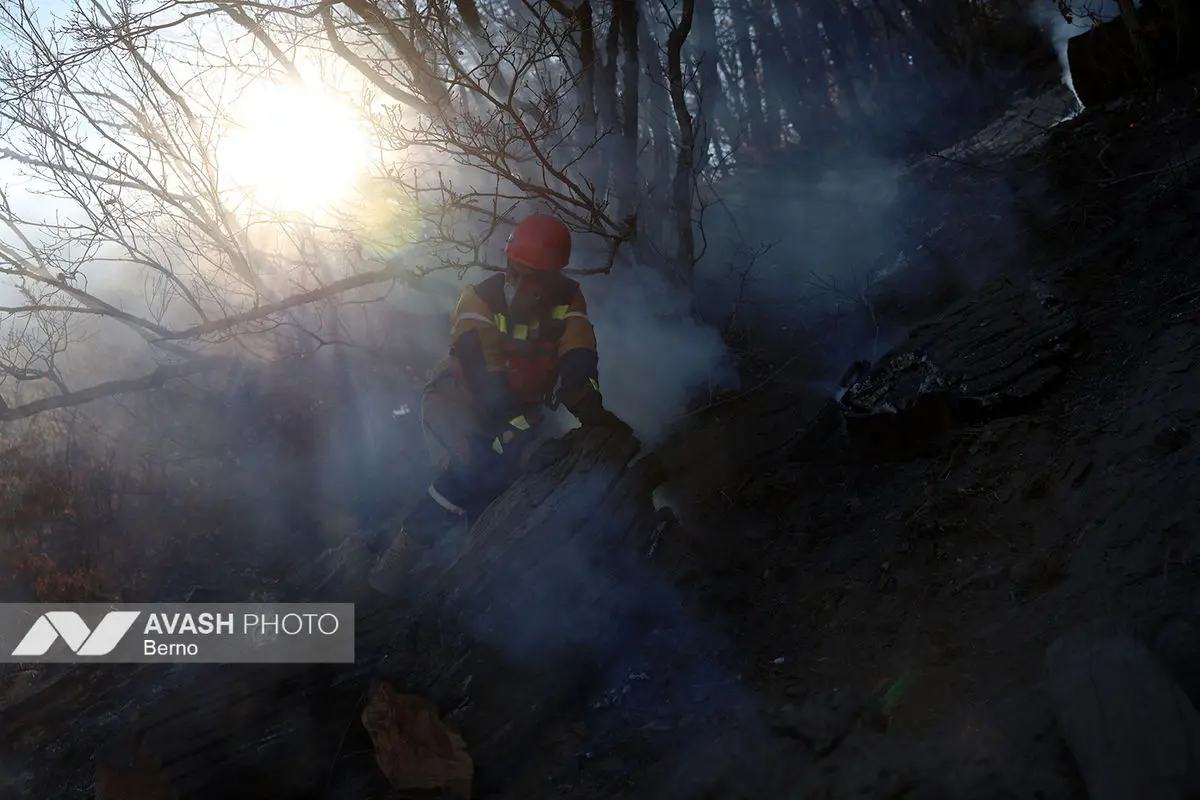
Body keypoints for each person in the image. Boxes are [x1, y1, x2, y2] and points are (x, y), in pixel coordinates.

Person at [369, 213, 629, 594]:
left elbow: (578, 355)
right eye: (513, 272)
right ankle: (403, 555)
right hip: (458, 402)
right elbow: (489, 388)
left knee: (509, 478)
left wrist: (592, 409)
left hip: (523, 408)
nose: (517, 286)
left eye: (531, 278)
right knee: (477, 465)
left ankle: (481, 566)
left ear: (553, 277)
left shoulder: (569, 299)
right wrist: (521, 445)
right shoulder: (477, 303)